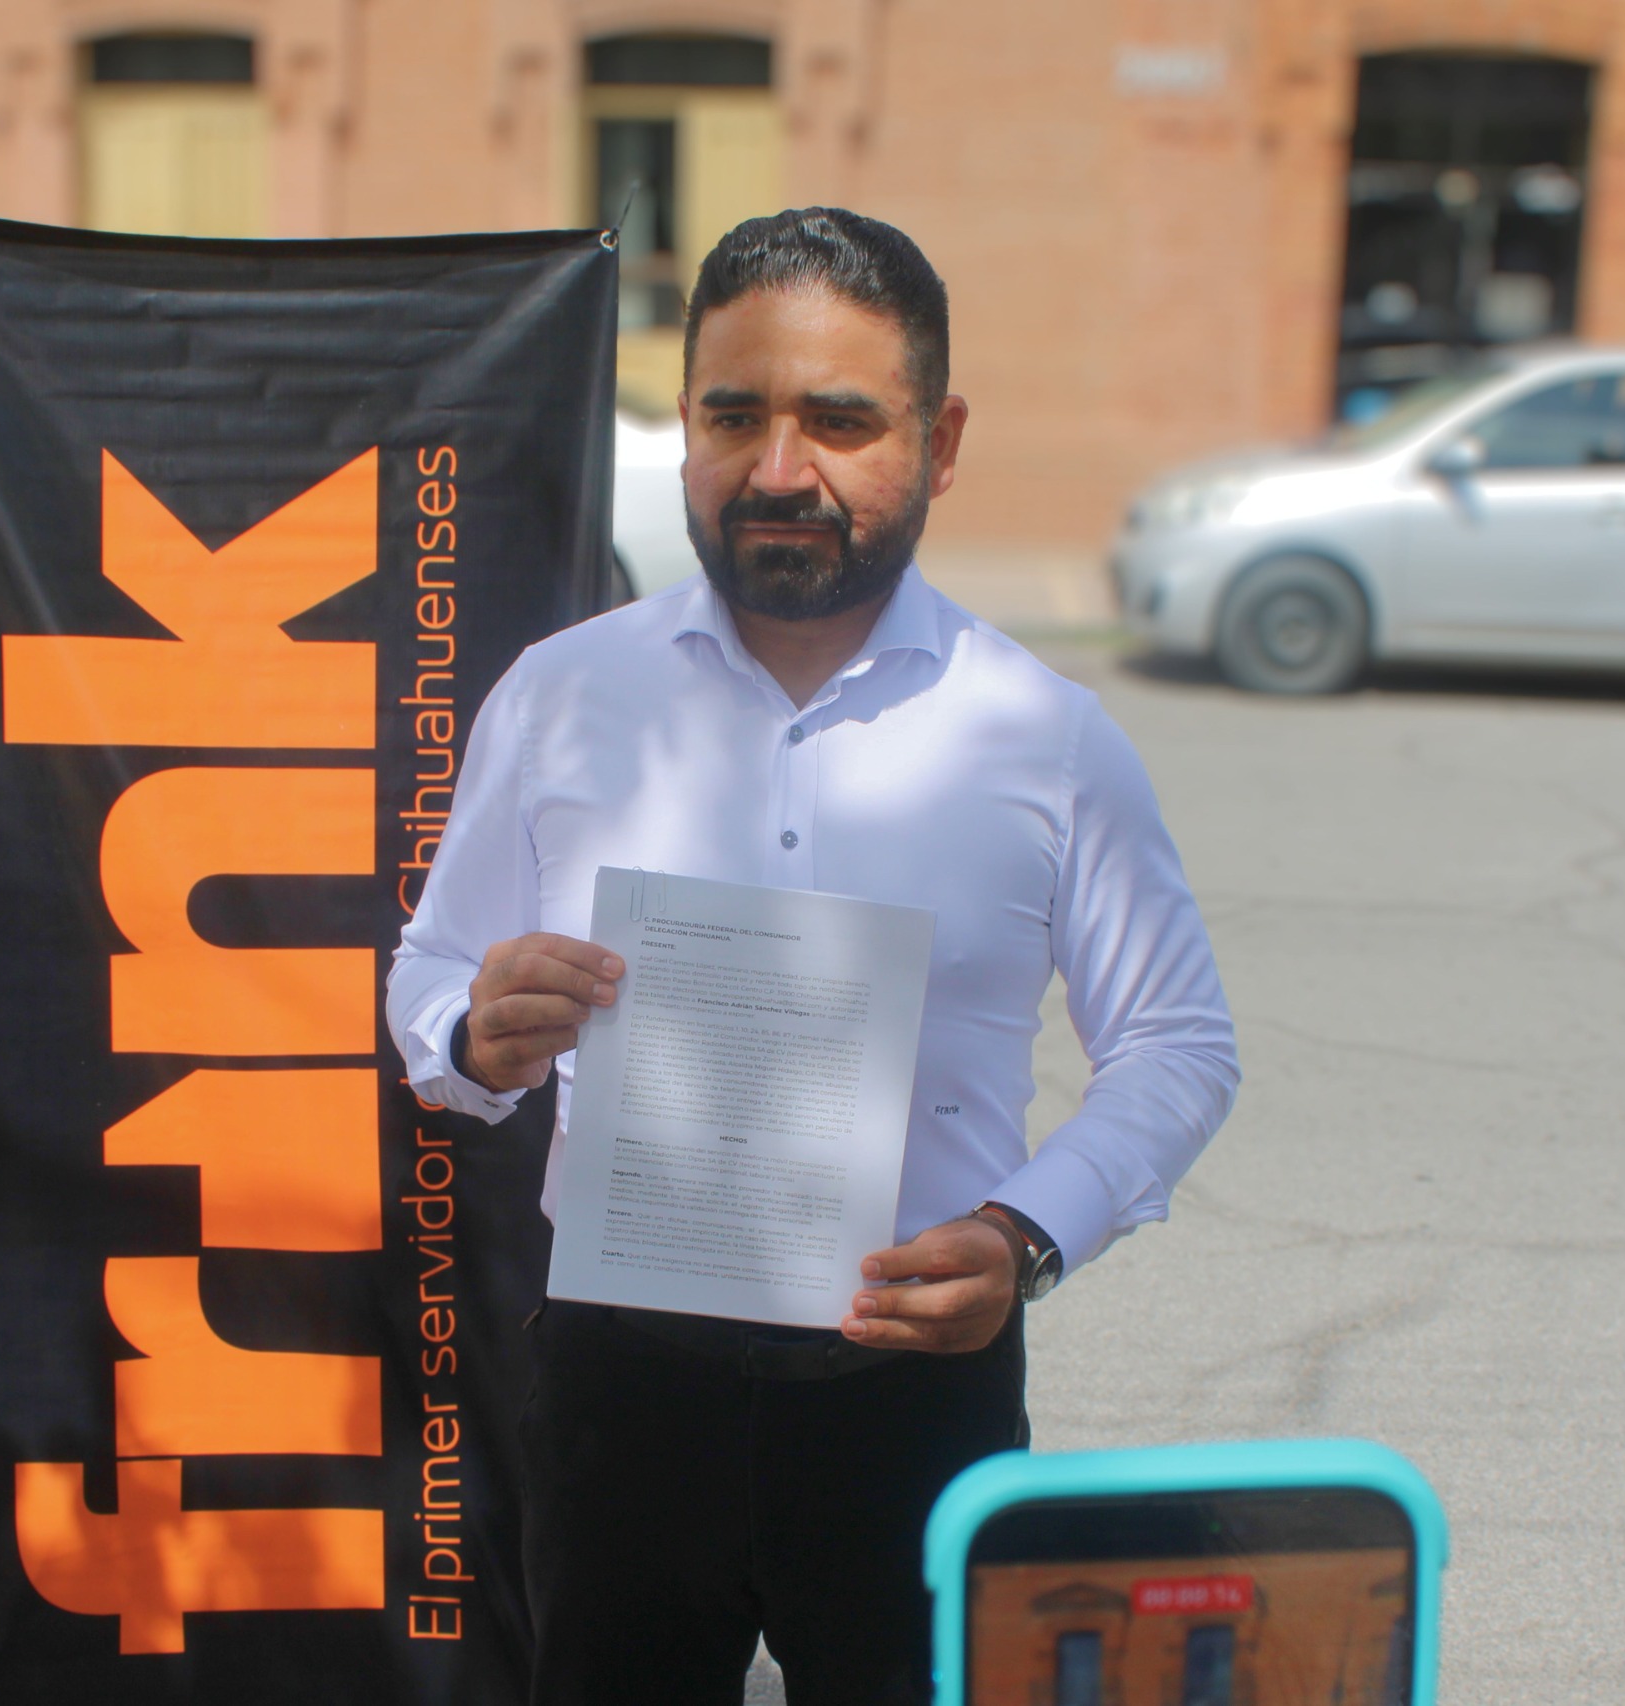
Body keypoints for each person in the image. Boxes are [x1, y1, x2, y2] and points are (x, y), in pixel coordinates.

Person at [387, 209, 1240, 1705]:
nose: (779, 469)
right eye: (735, 416)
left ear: (940, 440)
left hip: (910, 1394)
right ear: (686, 427)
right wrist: (472, 1028)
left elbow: (1176, 1041)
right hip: (621, 1390)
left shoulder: (1043, 736)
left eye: (840, 422)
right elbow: (432, 971)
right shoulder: (562, 695)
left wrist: (1026, 1237)